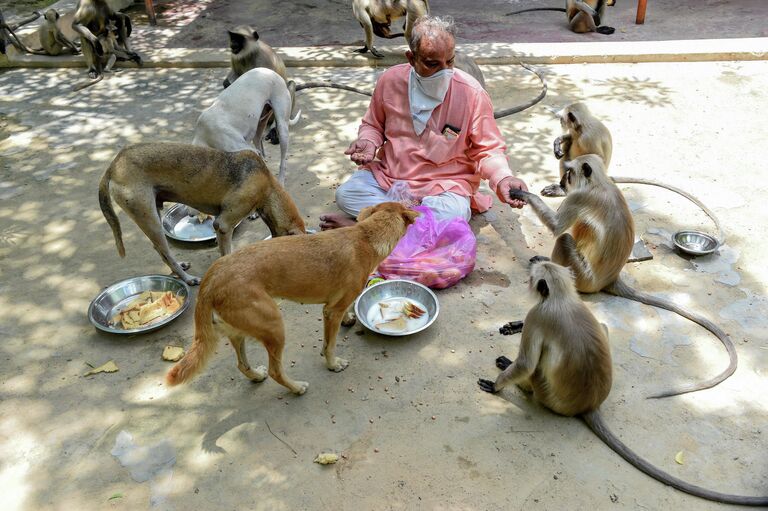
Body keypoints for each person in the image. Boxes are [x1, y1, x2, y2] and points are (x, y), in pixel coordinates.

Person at [319, 15, 528, 230]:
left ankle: (365, 227)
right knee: (347, 195)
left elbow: (488, 149)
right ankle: (409, 225)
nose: (444, 71)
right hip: (392, 178)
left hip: (443, 186)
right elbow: (373, 125)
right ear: (411, 58)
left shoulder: (472, 93)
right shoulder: (390, 81)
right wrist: (368, 141)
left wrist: (503, 178)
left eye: (450, 61)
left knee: (451, 214)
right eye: (432, 64)